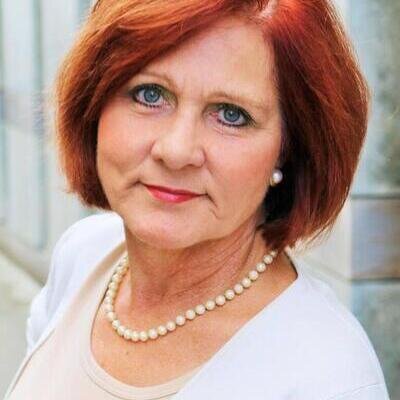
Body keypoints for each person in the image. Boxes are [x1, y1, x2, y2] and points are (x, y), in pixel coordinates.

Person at [5, 0, 390, 399]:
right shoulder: (83, 255)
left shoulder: (329, 377)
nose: (176, 151)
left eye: (231, 115)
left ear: (289, 152)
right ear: (94, 103)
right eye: (149, 94)